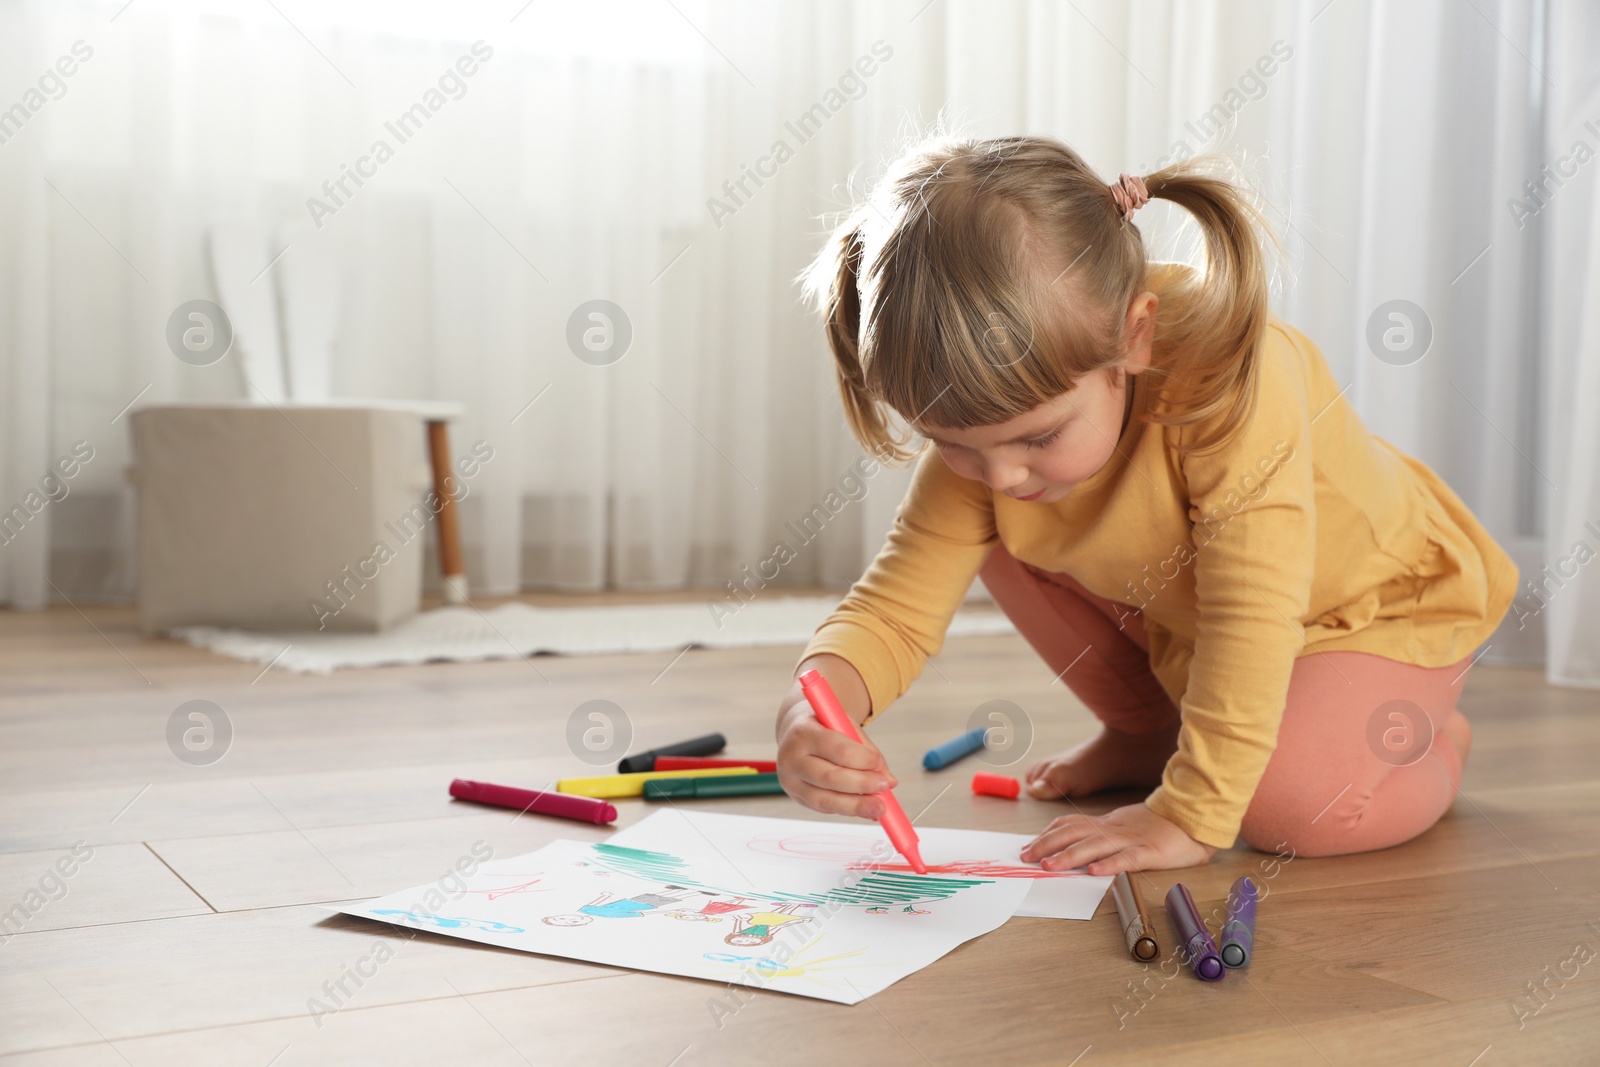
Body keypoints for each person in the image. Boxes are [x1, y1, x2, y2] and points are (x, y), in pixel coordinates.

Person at [774, 135, 1517, 875]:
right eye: (953, 442)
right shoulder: (999, 442)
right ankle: (1145, 731)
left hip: (1374, 611)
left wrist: (1190, 815)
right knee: (994, 532)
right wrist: (814, 704)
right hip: (1198, 616)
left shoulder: (1233, 381)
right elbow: (896, 607)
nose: (999, 474)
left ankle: (1433, 740)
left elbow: (1250, 610)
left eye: (1038, 437)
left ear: (1133, 337)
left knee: (1288, 814)